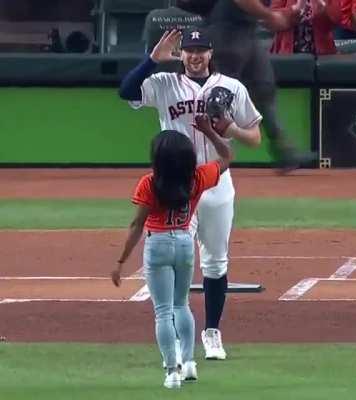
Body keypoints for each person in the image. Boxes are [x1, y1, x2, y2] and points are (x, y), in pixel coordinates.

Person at [119, 28, 262, 360]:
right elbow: (125, 90)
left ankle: (212, 332)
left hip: (216, 180)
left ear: (211, 54)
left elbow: (254, 137)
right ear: (180, 54)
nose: (195, 56)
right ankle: (175, 338)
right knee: (177, 257)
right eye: (189, 50)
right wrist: (153, 60)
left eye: (201, 50)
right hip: (177, 184)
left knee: (215, 261)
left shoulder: (231, 87)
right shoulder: (163, 83)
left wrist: (232, 129)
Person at [111, 119, 233, 389]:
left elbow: (136, 225)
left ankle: (171, 371)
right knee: (182, 305)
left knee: (163, 312)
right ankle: (189, 363)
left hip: (158, 245)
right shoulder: (198, 178)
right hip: (184, 242)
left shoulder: (149, 184)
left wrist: (120, 262)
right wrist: (209, 131)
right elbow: (227, 156)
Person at [176, 0, 316, 170]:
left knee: (263, 88)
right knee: (220, 97)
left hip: (247, 31)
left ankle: (284, 150)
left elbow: (268, 14)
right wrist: (269, 16)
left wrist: (286, 14)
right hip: (225, 31)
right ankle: (200, 155)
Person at [270, 0, 342, 55]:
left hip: (323, 55)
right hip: (288, 55)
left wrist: (323, 10)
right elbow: (272, 20)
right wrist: (296, 9)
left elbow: (337, 19)